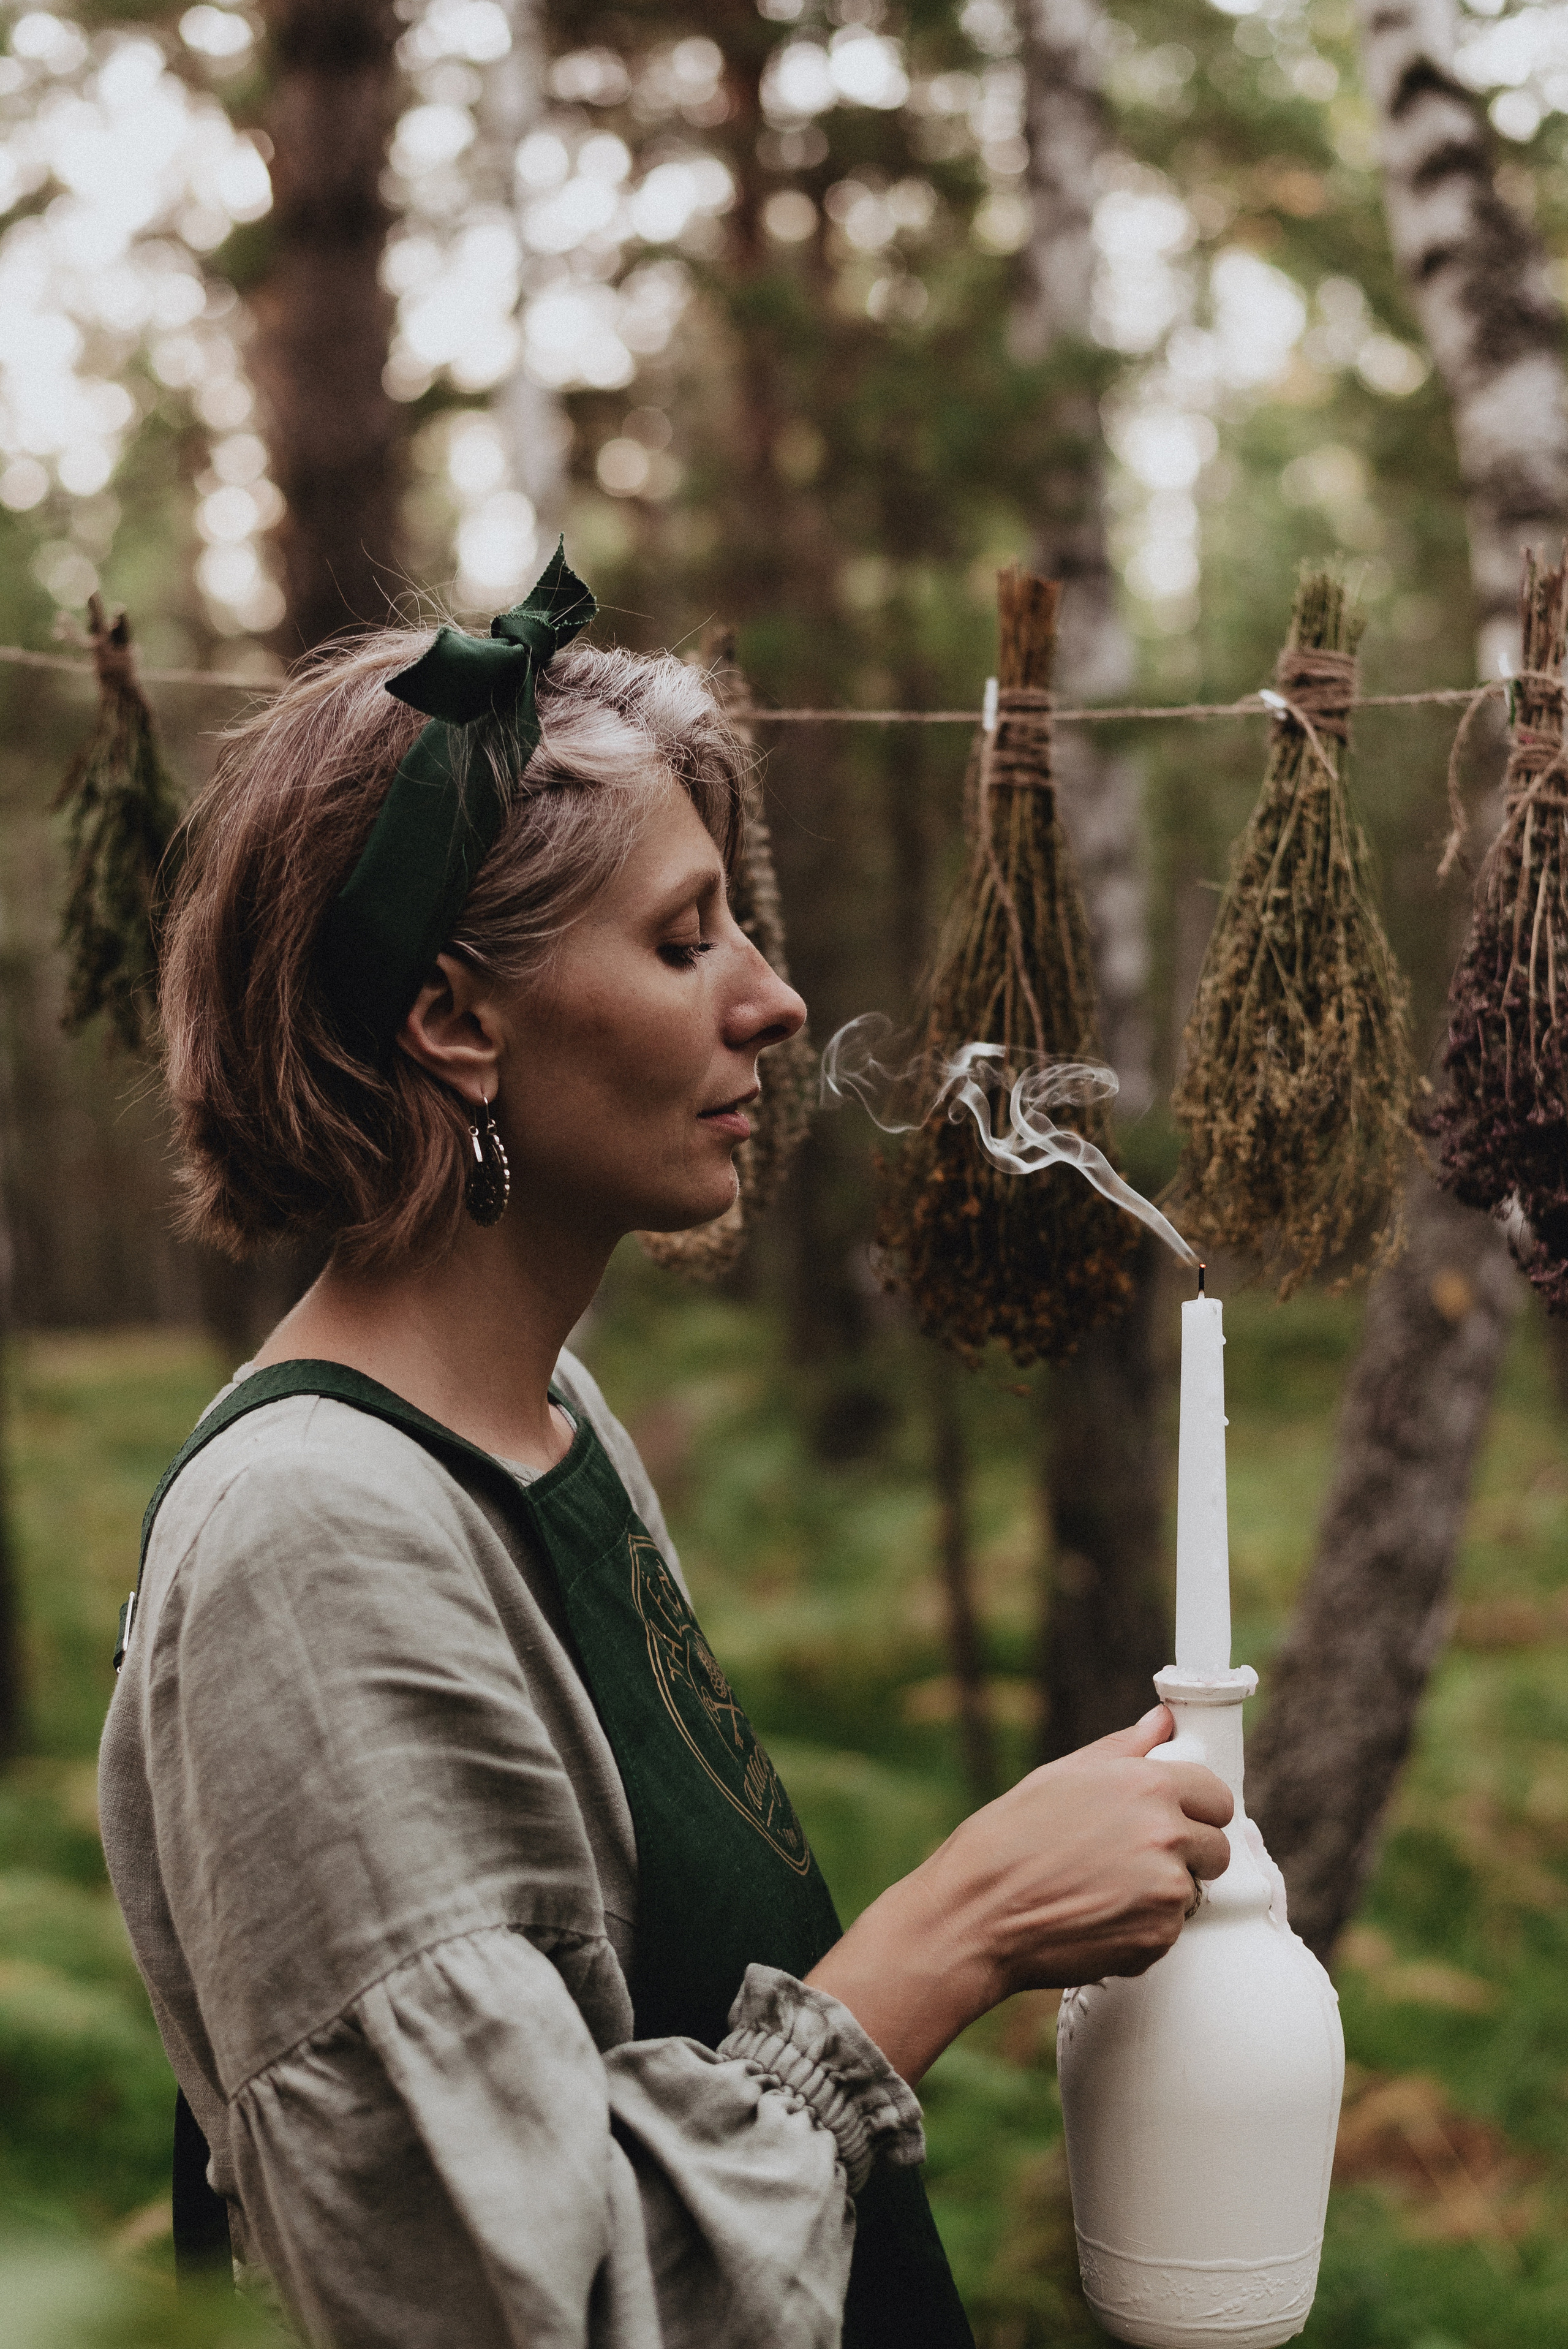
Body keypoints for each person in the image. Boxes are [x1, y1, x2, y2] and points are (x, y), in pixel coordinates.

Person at [99, 549, 1233, 2349]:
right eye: (685, 937)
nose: (774, 1001)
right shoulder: (311, 1543)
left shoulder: (554, 1427)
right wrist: (955, 1930)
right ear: (456, 1018)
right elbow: (525, 2300)